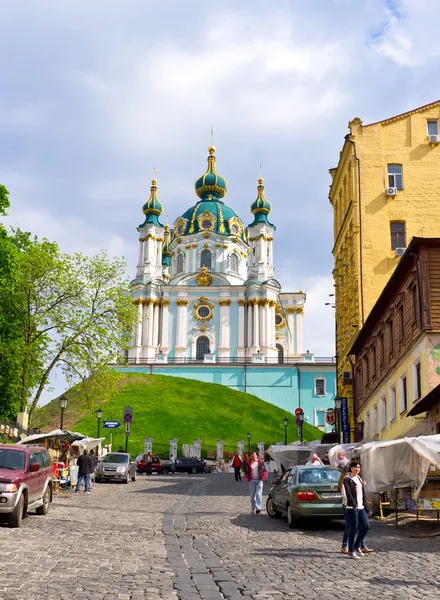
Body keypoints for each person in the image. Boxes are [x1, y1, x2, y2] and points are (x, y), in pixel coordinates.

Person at [343, 461, 373, 559]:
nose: (357, 469)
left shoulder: (359, 478)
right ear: (351, 468)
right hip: (352, 508)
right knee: (354, 528)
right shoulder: (347, 479)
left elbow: (362, 494)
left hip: (361, 507)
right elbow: (348, 493)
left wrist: (367, 508)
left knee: (366, 526)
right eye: (355, 467)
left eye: (359, 467)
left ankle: (357, 545)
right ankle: (351, 550)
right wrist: (354, 504)